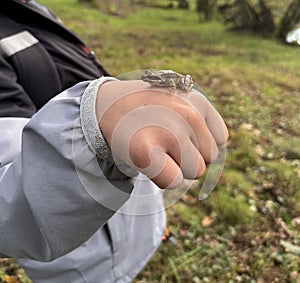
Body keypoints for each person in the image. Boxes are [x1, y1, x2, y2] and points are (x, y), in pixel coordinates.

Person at [0, 1, 229, 282]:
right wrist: (92, 123)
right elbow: (8, 202)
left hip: (129, 192)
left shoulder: (32, 7)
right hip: (84, 255)